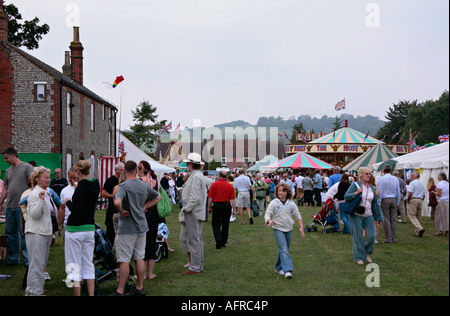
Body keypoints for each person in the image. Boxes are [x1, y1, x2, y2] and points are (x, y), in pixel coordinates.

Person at [113, 160, 161, 296]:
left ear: (124, 171)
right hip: (141, 226)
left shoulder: (123, 186)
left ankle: (120, 290)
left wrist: (121, 210)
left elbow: (116, 201)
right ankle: (139, 288)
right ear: (136, 170)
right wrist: (144, 207)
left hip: (127, 227)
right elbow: (158, 197)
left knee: (124, 260)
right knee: (139, 257)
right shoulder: (143, 185)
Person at [62, 160, 100, 296]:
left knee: (74, 265)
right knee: (88, 263)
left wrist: (68, 202)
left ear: (77, 171)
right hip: (89, 227)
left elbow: (76, 209)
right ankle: (91, 293)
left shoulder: (80, 188)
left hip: (75, 229)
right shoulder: (95, 184)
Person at [0, 146, 34, 266]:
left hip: (22, 208)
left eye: (6, 158)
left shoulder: (26, 167)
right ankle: (13, 259)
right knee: (10, 234)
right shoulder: (8, 171)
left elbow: (32, 185)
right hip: (10, 207)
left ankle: (27, 260)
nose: (5, 161)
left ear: (13, 155)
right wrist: (0, 203)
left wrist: (26, 201)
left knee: (24, 233)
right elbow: (5, 189)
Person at [344, 167, 384, 265]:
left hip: (369, 214)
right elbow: (346, 197)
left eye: (369, 173)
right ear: (361, 175)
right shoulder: (355, 185)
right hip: (356, 215)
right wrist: (356, 193)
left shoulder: (372, 188)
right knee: (357, 237)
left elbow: (376, 205)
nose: (368, 175)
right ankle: (358, 257)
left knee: (372, 235)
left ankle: (367, 253)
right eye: (366, 173)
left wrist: (380, 217)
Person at [265, 183, 305, 279]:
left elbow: (297, 216)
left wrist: (301, 227)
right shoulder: (274, 202)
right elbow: (267, 213)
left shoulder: (291, 203)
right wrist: (269, 220)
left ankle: (278, 268)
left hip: (288, 229)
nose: (281, 193)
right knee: (284, 248)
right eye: (279, 191)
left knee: (284, 249)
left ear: (287, 192)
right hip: (278, 228)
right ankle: (287, 270)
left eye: (283, 191)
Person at [24, 166, 53, 296]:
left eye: (49, 177)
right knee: (36, 264)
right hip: (36, 233)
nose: (48, 179)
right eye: (45, 177)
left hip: (44, 232)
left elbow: (50, 214)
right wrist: (41, 201)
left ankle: (32, 290)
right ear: (37, 179)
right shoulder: (34, 194)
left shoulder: (46, 192)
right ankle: (36, 292)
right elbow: (35, 215)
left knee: (39, 264)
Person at [180, 153, 208, 275]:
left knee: (194, 240)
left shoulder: (196, 176)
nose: (186, 165)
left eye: (188, 163)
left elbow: (195, 197)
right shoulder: (196, 175)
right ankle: (198, 266)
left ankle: (195, 268)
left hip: (193, 212)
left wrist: (186, 209)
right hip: (195, 211)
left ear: (191, 164)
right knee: (196, 240)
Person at [137, 160, 159, 280]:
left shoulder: (140, 182)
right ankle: (150, 273)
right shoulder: (155, 181)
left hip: (143, 213)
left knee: (142, 244)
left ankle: (143, 274)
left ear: (141, 169)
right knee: (151, 242)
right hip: (154, 214)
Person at [207, 170, 236, 249]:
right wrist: (234, 210)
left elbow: (210, 197)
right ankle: (223, 241)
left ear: (219, 175)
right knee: (225, 224)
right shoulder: (230, 186)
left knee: (215, 224)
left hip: (217, 205)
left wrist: (209, 207)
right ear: (226, 176)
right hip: (226, 206)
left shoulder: (214, 184)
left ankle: (218, 237)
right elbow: (233, 199)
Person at [101, 162, 124, 246]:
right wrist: (113, 196)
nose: (123, 171)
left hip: (122, 208)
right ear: (116, 170)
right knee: (110, 229)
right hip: (112, 208)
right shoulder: (110, 180)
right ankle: (109, 247)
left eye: (124, 170)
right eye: (121, 170)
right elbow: (103, 193)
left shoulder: (125, 180)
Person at [377, 164, 401, 243]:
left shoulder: (381, 179)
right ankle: (394, 238)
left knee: (386, 219)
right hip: (393, 198)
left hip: (385, 199)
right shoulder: (395, 179)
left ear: (383, 171)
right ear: (391, 171)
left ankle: (388, 238)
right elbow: (398, 191)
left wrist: (379, 202)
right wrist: (397, 202)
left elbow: (380, 192)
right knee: (393, 219)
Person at [406, 171, 426, 238]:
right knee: (418, 216)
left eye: (412, 175)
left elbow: (410, 193)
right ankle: (417, 232)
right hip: (420, 199)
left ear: (414, 176)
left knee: (412, 215)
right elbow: (424, 195)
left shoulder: (412, 183)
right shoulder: (422, 184)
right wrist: (421, 200)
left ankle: (419, 228)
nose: (411, 177)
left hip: (414, 199)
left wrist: (408, 200)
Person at [58, 168, 77, 235]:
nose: (72, 180)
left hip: (79, 223)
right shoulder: (64, 190)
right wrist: (59, 224)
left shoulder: (81, 188)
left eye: (74, 178)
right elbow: (62, 208)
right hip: (67, 222)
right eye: (70, 177)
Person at [434, 172, 449, 237]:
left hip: (442, 201)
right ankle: (447, 232)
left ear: (440, 177)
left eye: (438, 176)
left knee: (439, 216)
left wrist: (434, 192)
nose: (437, 177)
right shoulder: (447, 184)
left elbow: (439, 194)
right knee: (447, 216)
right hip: (447, 201)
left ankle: (440, 230)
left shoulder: (440, 184)